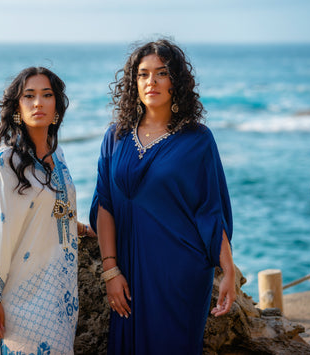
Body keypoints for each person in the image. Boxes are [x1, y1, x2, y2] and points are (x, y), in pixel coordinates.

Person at [89, 39, 236, 354]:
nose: (151, 82)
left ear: (176, 82)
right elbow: (105, 205)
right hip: (127, 271)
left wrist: (228, 270)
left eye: (161, 73)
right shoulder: (115, 137)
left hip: (181, 274)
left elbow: (210, 211)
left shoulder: (198, 140)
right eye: (143, 74)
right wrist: (111, 270)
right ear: (134, 83)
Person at [0, 67, 95, 355]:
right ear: (17, 108)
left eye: (47, 95)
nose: (38, 103)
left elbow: (50, 212)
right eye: (29, 96)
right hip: (19, 299)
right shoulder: (3, 162)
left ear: (57, 108)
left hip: (59, 297)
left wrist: (84, 229)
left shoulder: (58, 157)